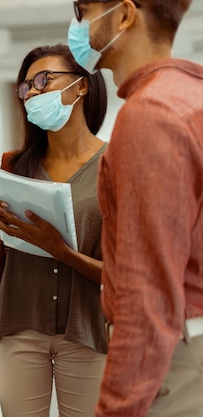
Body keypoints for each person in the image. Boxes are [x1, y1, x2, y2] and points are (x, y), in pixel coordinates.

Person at [66, 1, 203, 416]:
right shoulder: (190, 96)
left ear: (125, 16)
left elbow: (149, 295)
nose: (77, 24)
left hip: (173, 356)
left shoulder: (150, 115)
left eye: (82, 9)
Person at [0, 44, 109, 417]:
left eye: (43, 80)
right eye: (26, 87)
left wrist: (60, 250)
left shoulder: (116, 165)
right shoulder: (14, 165)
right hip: (19, 323)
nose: (32, 92)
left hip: (88, 330)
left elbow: (125, 274)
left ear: (81, 86)